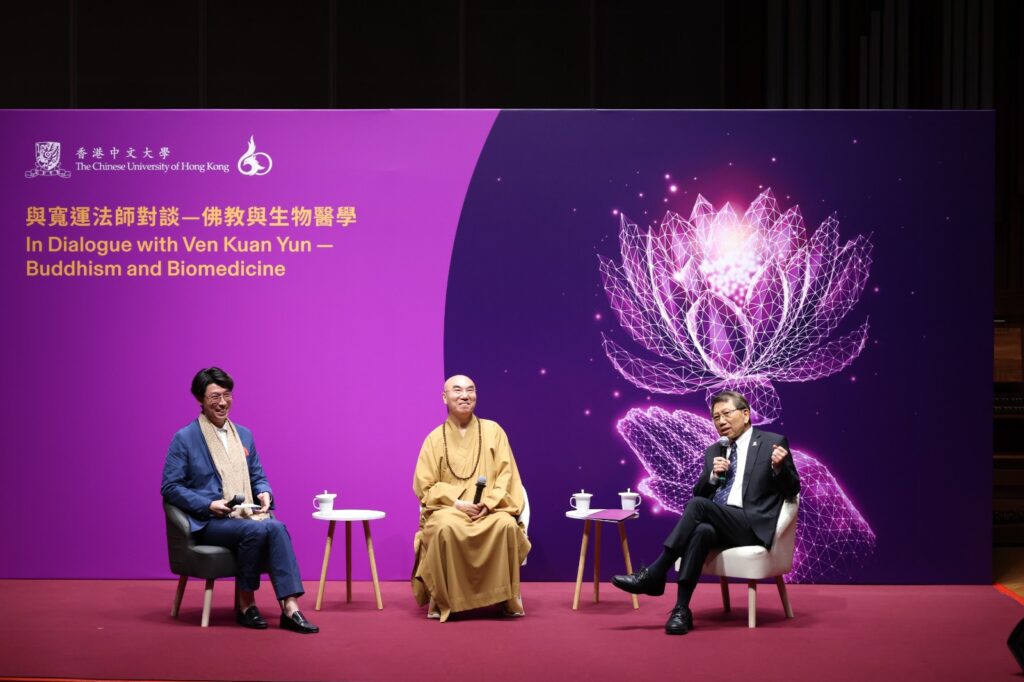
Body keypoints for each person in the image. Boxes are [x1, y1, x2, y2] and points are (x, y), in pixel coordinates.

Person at [611, 390, 800, 634]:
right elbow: (699, 493)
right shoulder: (714, 451)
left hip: (752, 526)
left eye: (726, 414)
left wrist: (779, 468)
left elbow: (793, 489)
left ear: (745, 414)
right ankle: (681, 610)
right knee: (701, 530)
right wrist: (712, 477)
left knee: (698, 507)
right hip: (723, 524)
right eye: (715, 417)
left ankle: (656, 572)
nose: (720, 421)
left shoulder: (771, 442)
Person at [160, 367, 319, 634]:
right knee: (258, 529)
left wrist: (265, 492)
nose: (222, 402)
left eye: (227, 395)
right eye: (214, 396)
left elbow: (258, 476)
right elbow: (170, 487)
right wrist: (208, 504)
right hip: (210, 520)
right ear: (200, 399)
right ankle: (246, 604)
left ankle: (290, 608)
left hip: (244, 516)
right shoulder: (185, 438)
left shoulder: (244, 435)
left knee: (276, 526)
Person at [412, 375, 531, 622]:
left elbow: (507, 477)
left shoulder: (494, 431)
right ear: (445, 397)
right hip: (450, 510)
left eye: (470, 390)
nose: (465, 395)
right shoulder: (434, 439)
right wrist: (456, 502)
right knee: (444, 527)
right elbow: (426, 486)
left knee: (506, 525)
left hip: (489, 509)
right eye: (457, 390)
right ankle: (445, 598)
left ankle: (505, 596)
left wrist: (488, 504)